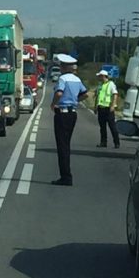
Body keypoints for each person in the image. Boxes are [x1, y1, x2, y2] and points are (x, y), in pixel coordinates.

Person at [50, 53, 87, 186]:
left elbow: (59, 92)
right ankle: (66, 175)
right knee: (67, 143)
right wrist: (75, 100)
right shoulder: (77, 80)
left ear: (64, 67)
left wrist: (53, 104)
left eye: (61, 65)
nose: (60, 67)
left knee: (62, 146)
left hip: (62, 113)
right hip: (73, 114)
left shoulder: (63, 79)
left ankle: (65, 176)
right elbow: (85, 94)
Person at [94, 69, 120, 149]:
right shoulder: (100, 85)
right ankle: (103, 142)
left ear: (103, 76)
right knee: (102, 127)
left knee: (112, 126)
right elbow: (97, 96)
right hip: (101, 108)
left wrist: (113, 105)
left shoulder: (111, 84)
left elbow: (115, 94)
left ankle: (116, 142)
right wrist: (95, 107)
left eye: (99, 76)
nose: (98, 77)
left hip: (108, 109)